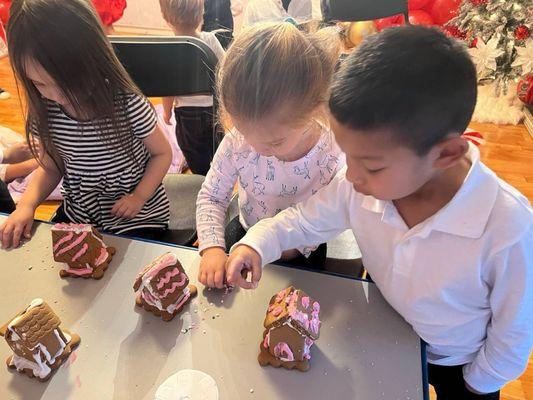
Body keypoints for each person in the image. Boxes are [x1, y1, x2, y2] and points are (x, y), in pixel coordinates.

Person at [226, 26, 533, 399]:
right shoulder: (359, 184)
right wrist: (256, 244)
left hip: (463, 364)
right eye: (347, 155)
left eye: (370, 166)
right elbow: (303, 221)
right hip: (386, 334)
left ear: (446, 154)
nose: (351, 176)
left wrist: (478, 382)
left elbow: (514, 332)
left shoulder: (508, 227)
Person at [0, 0, 172, 249]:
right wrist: (26, 205)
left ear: (95, 59)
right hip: (79, 216)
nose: (59, 97)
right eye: (40, 84)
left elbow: (163, 153)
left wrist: (139, 196)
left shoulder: (127, 103)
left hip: (136, 218)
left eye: (69, 83)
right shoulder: (45, 109)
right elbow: (51, 167)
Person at [196, 22, 345, 288]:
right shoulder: (238, 142)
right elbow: (212, 195)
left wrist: (281, 249)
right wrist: (211, 248)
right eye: (242, 130)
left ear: (314, 111)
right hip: (245, 231)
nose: (257, 148)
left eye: (275, 142)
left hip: (301, 251)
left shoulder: (332, 154)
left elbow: (326, 216)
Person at [159, 0, 226, 176]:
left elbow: (167, 88)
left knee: (192, 149)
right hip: (214, 109)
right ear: (201, 14)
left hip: (187, 114)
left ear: (166, 18)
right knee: (217, 145)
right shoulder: (210, 39)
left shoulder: (168, 49)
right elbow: (224, 69)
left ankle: (201, 174)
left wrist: (167, 113)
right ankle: (218, 172)